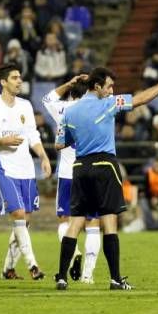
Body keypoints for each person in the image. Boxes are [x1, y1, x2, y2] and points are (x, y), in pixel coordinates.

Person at [54, 65, 158, 291]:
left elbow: (59, 144)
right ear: (97, 87)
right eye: (109, 86)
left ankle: (62, 277)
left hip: (80, 167)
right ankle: (115, 279)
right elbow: (141, 99)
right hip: (105, 165)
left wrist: (84, 134)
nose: (112, 90)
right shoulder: (109, 104)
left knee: (75, 221)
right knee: (109, 221)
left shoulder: (70, 112)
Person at [0, 63, 51, 280]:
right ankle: (33, 265)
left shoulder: (26, 106)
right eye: (15, 78)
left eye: (20, 77)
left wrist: (43, 156)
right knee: (17, 214)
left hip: (26, 168)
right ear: (3, 82)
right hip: (4, 167)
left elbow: (32, 136)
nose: (19, 81)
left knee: (25, 220)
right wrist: (1, 140)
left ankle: (8, 268)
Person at [42, 75, 102, 284]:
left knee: (65, 221)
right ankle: (88, 274)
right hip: (92, 172)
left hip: (68, 173)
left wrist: (69, 83)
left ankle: (74, 250)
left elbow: (47, 99)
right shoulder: (98, 107)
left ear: (71, 93)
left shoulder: (64, 110)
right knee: (93, 223)